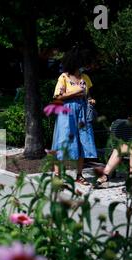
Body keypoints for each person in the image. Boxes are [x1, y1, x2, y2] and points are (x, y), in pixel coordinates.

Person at [50, 47, 98, 185]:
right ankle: (57, 176)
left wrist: (90, 100)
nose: (83, 65)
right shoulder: (63, 77)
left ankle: (79, 175)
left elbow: (88, 95)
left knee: (83, 140)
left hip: (82, 112)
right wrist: (76, 92)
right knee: (63, 141)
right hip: (67, 113)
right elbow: (58, 96)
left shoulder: (85, 78)